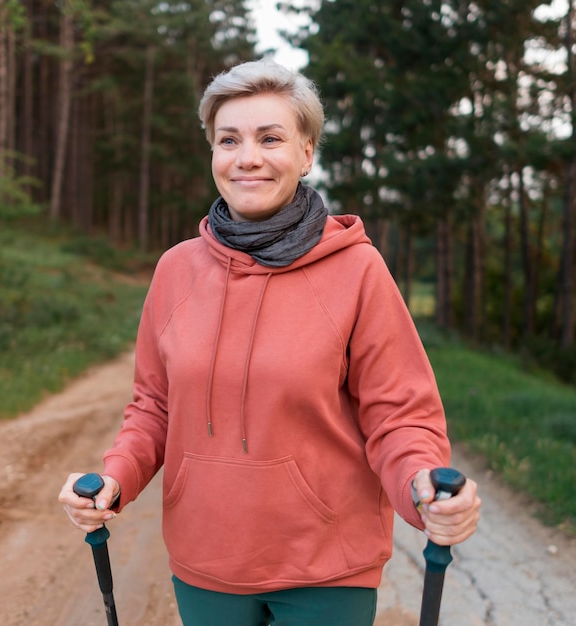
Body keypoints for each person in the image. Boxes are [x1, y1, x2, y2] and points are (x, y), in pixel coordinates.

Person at [59, 58, 481, 626]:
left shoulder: (358, 271)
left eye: (271, 138)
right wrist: (114, 479)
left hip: (328, 569)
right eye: (228, 139)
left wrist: (422, 486)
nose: (247, 157)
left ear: (306, 153)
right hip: (205, 564)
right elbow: (154, 407)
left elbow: (399, 414)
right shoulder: (176, 270)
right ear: (212, 152)